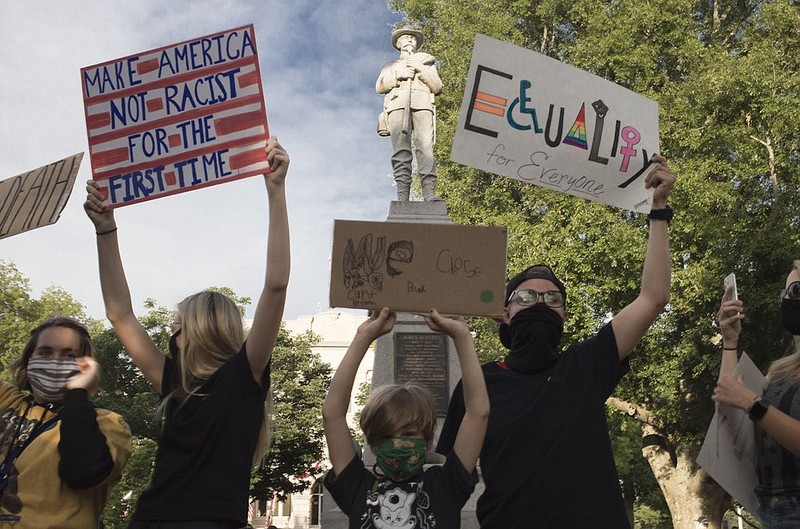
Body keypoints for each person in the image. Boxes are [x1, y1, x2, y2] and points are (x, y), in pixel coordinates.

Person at [436, 155, 675, 528]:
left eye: (551, 299)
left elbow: (653, 298)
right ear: (505, 314)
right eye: (526, 298)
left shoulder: (585, 366)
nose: (540, 304)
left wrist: (657, 210)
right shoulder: (477, 385)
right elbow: (446, 483)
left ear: (564, 317)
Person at [83, 137, 290, 528]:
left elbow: (276, 285)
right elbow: (120, 314)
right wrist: (105, 231)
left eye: (178, 320)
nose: (170, 327)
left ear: (202, 326)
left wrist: (276, 191)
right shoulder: (174, 383)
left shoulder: (244, 377)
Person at [323, 307, 489, 528]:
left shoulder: (446, 486)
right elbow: (332, 414)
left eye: (409, 433)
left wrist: (461, 336)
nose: (398, 443)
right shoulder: (357, 488)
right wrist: (364, 337)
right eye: (386, 436)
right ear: (372, 445)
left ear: (428, 440)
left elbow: (478, 413)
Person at [0, 316, 132, 528]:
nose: (55, 361)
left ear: (85, 365)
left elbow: (83, 473)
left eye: (69, 355)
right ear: (28, 361)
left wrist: (77, 393)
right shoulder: (6, 401)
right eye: (44, 353)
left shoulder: (108, 423)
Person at [713, 261, 800, 528]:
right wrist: (730, 342)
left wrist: (752, 404)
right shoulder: (782, 369)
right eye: (785, 294)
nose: (787, 300)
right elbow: (728, 397)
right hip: (770, 511)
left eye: (795, 291)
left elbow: (748, 403)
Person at [376, 25, 443, 202]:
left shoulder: (427, 63)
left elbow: (437, 86)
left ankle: (429, 193)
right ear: (398, 43)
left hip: (422, 104)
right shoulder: (390, 65)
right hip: (397, 105)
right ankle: (402, 196)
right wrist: (398, 74)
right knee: (401, 151)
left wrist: (420, 69)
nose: (410, 40)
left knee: (426, 148)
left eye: (413, 38)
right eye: (406, 38)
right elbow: (380, 86)